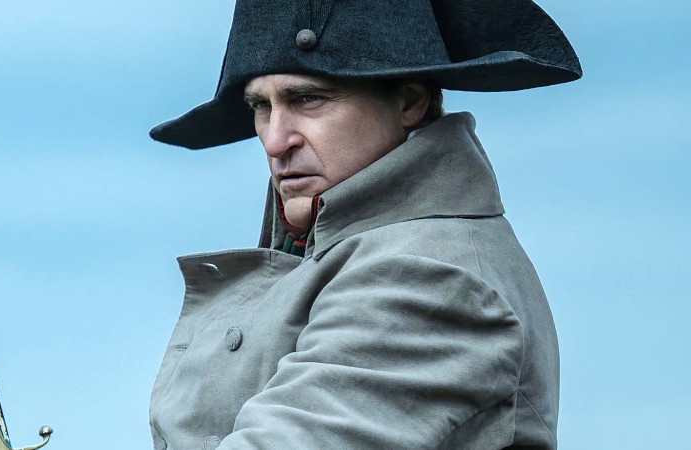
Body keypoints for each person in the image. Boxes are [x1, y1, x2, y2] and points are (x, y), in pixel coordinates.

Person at [147, 0, 581, 449]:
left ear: (409, 100)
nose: (275, 141)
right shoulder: (371, 256)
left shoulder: (427, 275)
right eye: (261, 106)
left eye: (308, 99)